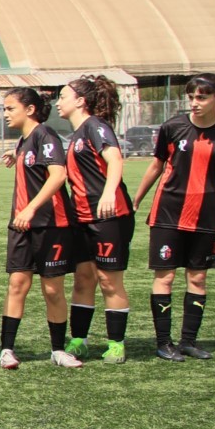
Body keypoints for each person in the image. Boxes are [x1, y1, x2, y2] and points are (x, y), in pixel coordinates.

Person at [136, 75, 215, 361]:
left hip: (205, 218)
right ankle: (164, 343)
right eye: (192, 97)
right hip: (167, 214)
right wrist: (135, 200)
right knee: (166, 277)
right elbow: (156, 166)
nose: (195, 103)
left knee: (197, 278)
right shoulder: (173, 126)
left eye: (202, 97)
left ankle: (189, 341)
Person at [0, 89, 83, 370]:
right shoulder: (25, 141)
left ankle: (58, 350)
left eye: (10, 108)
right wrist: (17, 153)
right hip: (21, 226)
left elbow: (58, 175)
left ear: (30, 109)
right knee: (17, 285)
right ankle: (7, 350)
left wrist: (31, 209)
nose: (5, 114)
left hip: (50, 225)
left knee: (52, 290)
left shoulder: (46, 134)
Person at [58, 75, 134, 362]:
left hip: (108, 217)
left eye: (63, 96)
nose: (58, 102)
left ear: (81, 101)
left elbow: (114, 159)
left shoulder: (95, 126)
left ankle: (116, 343)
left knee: (109, 280)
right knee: (83, 278)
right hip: (81, 218)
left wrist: (108, 193)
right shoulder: (76, 134)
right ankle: (79, 339)